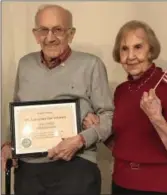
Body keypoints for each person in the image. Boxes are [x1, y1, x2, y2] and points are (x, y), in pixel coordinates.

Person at [1, 4, 114, 195]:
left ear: (71, 34)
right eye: (43, 30)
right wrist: (7, 143)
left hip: (76, 163)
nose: (50, 37)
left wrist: (80, 140)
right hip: (29, 168)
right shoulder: (25, 64)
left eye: (58, 30)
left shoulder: (91, 64)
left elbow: (109, 116)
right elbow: (18, 111)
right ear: (35, 34)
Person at [83, 20, 167, 195]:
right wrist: (98, 130)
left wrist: (156, 118)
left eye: (138, 47)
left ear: (151, 50)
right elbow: (123, 143)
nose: (130, 56)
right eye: (124, 49)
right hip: (122, 183)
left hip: (160, 186)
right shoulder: (122, 91)